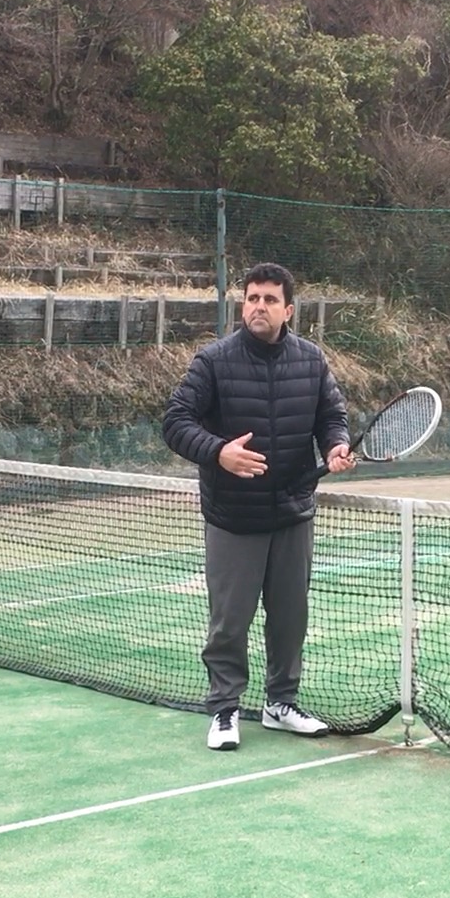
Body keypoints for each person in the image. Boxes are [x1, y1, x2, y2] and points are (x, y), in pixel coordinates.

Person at [163, 261, 355, 751]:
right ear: (242, 305)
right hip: (233, 517)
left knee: (290, 618)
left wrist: (335, 445)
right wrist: (218, 452)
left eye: (270, 300)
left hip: (293, 513)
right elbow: (176, 422)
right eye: (252, 298)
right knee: (229, 622)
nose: (259, 307)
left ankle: (280, 704)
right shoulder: (213, 361)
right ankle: (224, 708)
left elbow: (331, 416)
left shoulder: (311, 360)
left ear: (288, 310)